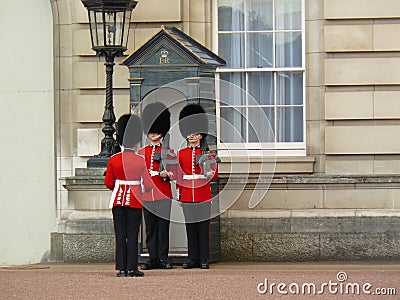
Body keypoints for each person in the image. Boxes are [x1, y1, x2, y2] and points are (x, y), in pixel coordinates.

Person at [104, 114, 153, 277]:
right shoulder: (140, 160)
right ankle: (132, 268)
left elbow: (108, 182)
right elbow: (147, 184)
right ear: (136, 140)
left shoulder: (114, 159)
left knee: (120, 235)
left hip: (118, 201)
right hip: (134, 201)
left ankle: (122, 269)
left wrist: (118, 187)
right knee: (133, 235)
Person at [177, 103, 218, 269]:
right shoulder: (181, 154)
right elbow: (180, 176)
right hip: (187, 193)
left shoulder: (207, 154)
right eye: (189, 133)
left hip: (202, 193)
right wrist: (179, 195)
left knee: (203, 228)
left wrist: (209, 174)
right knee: (191, 228)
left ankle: (203, 259)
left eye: (194, 133)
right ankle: (192, 258)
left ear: (201, 135)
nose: (191, 136)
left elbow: (214, 172)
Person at [138, 102, 177, 270]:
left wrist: (168, 174)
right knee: (150, 228)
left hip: (163, 193)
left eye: (156, 130)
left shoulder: (169, 152)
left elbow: (176, 174)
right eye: (151, 130)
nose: (153, 133)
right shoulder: (141, 152)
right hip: (147, 194)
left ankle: (163, 258)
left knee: (163, 228)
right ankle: (152, 258)